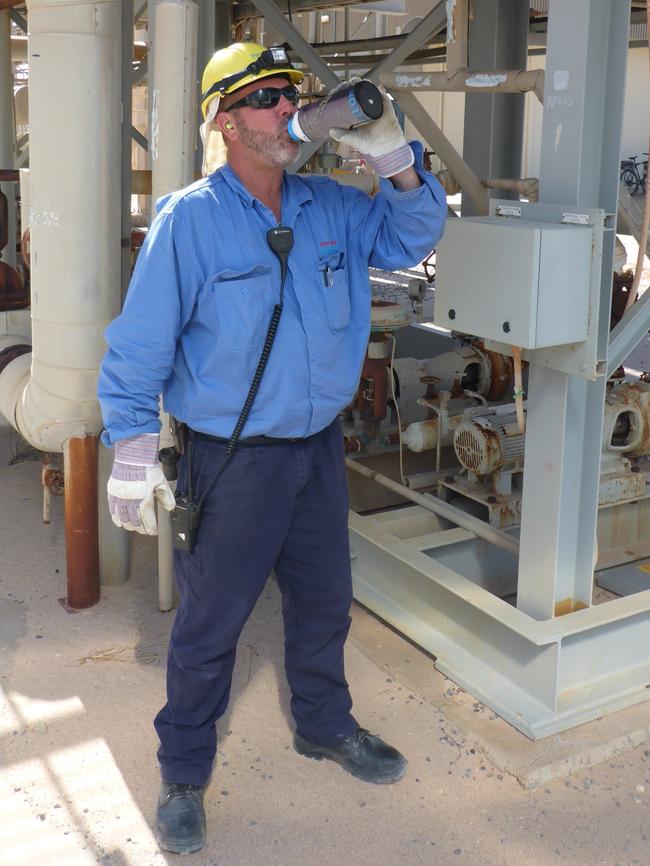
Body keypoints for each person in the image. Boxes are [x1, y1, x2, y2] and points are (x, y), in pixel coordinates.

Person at [98, 41, 446, 855]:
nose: (288, 107)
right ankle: (183, 771)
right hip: (233, 462)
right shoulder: (190, 221)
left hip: (319, 451)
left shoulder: (332, 205)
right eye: (264, 98)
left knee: (325, 605)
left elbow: (413, 234)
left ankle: (323, 726)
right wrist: (132, 445)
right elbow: (141, 346)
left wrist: (395, 161)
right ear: (224, 122)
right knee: (210, 627)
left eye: (291, 94)